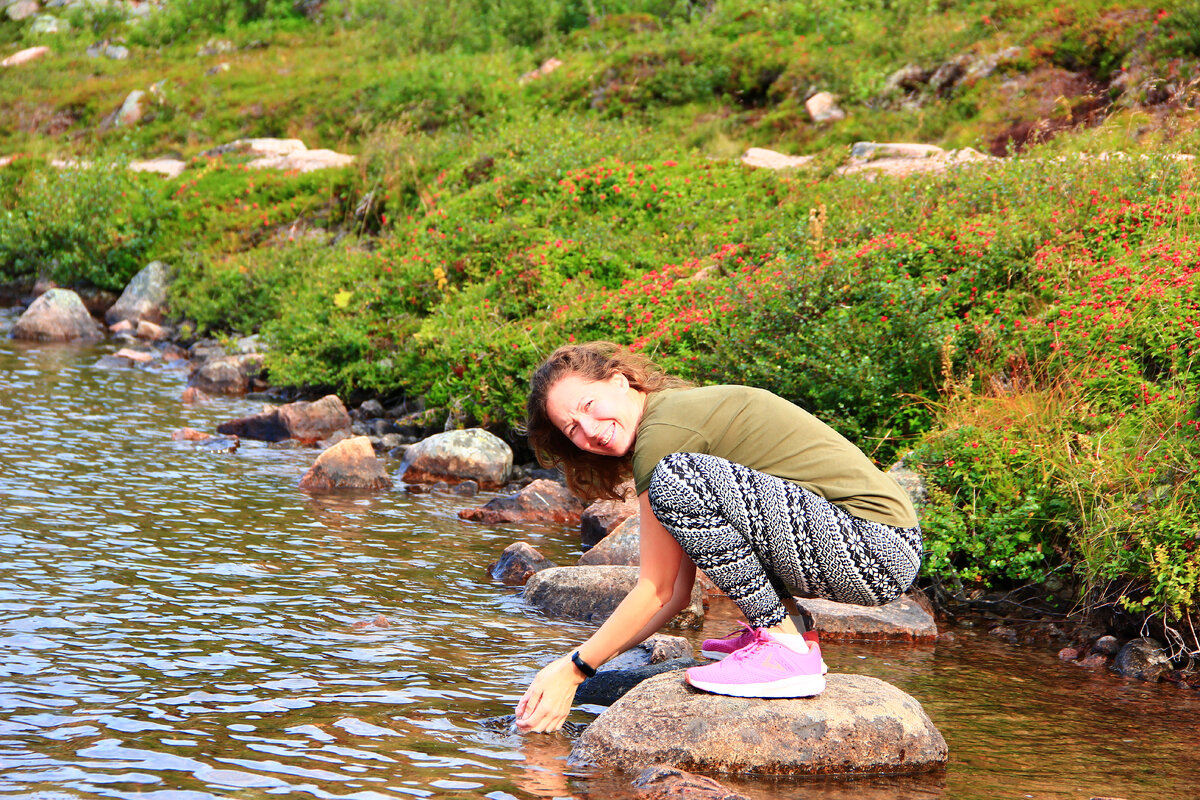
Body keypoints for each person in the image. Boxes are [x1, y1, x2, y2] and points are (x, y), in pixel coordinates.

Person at [514, 341, 922, 733]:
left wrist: (573, 669)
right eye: (573, 429)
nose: (589, 429)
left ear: (621, 380)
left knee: (676, 478)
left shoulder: (663, 435)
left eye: (588, 406)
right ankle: (791, 629)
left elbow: (655, 589)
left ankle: (783, 648)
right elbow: (675, 594)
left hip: (875, 550)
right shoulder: (672, 419)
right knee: (678, 479)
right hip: (870, 548)